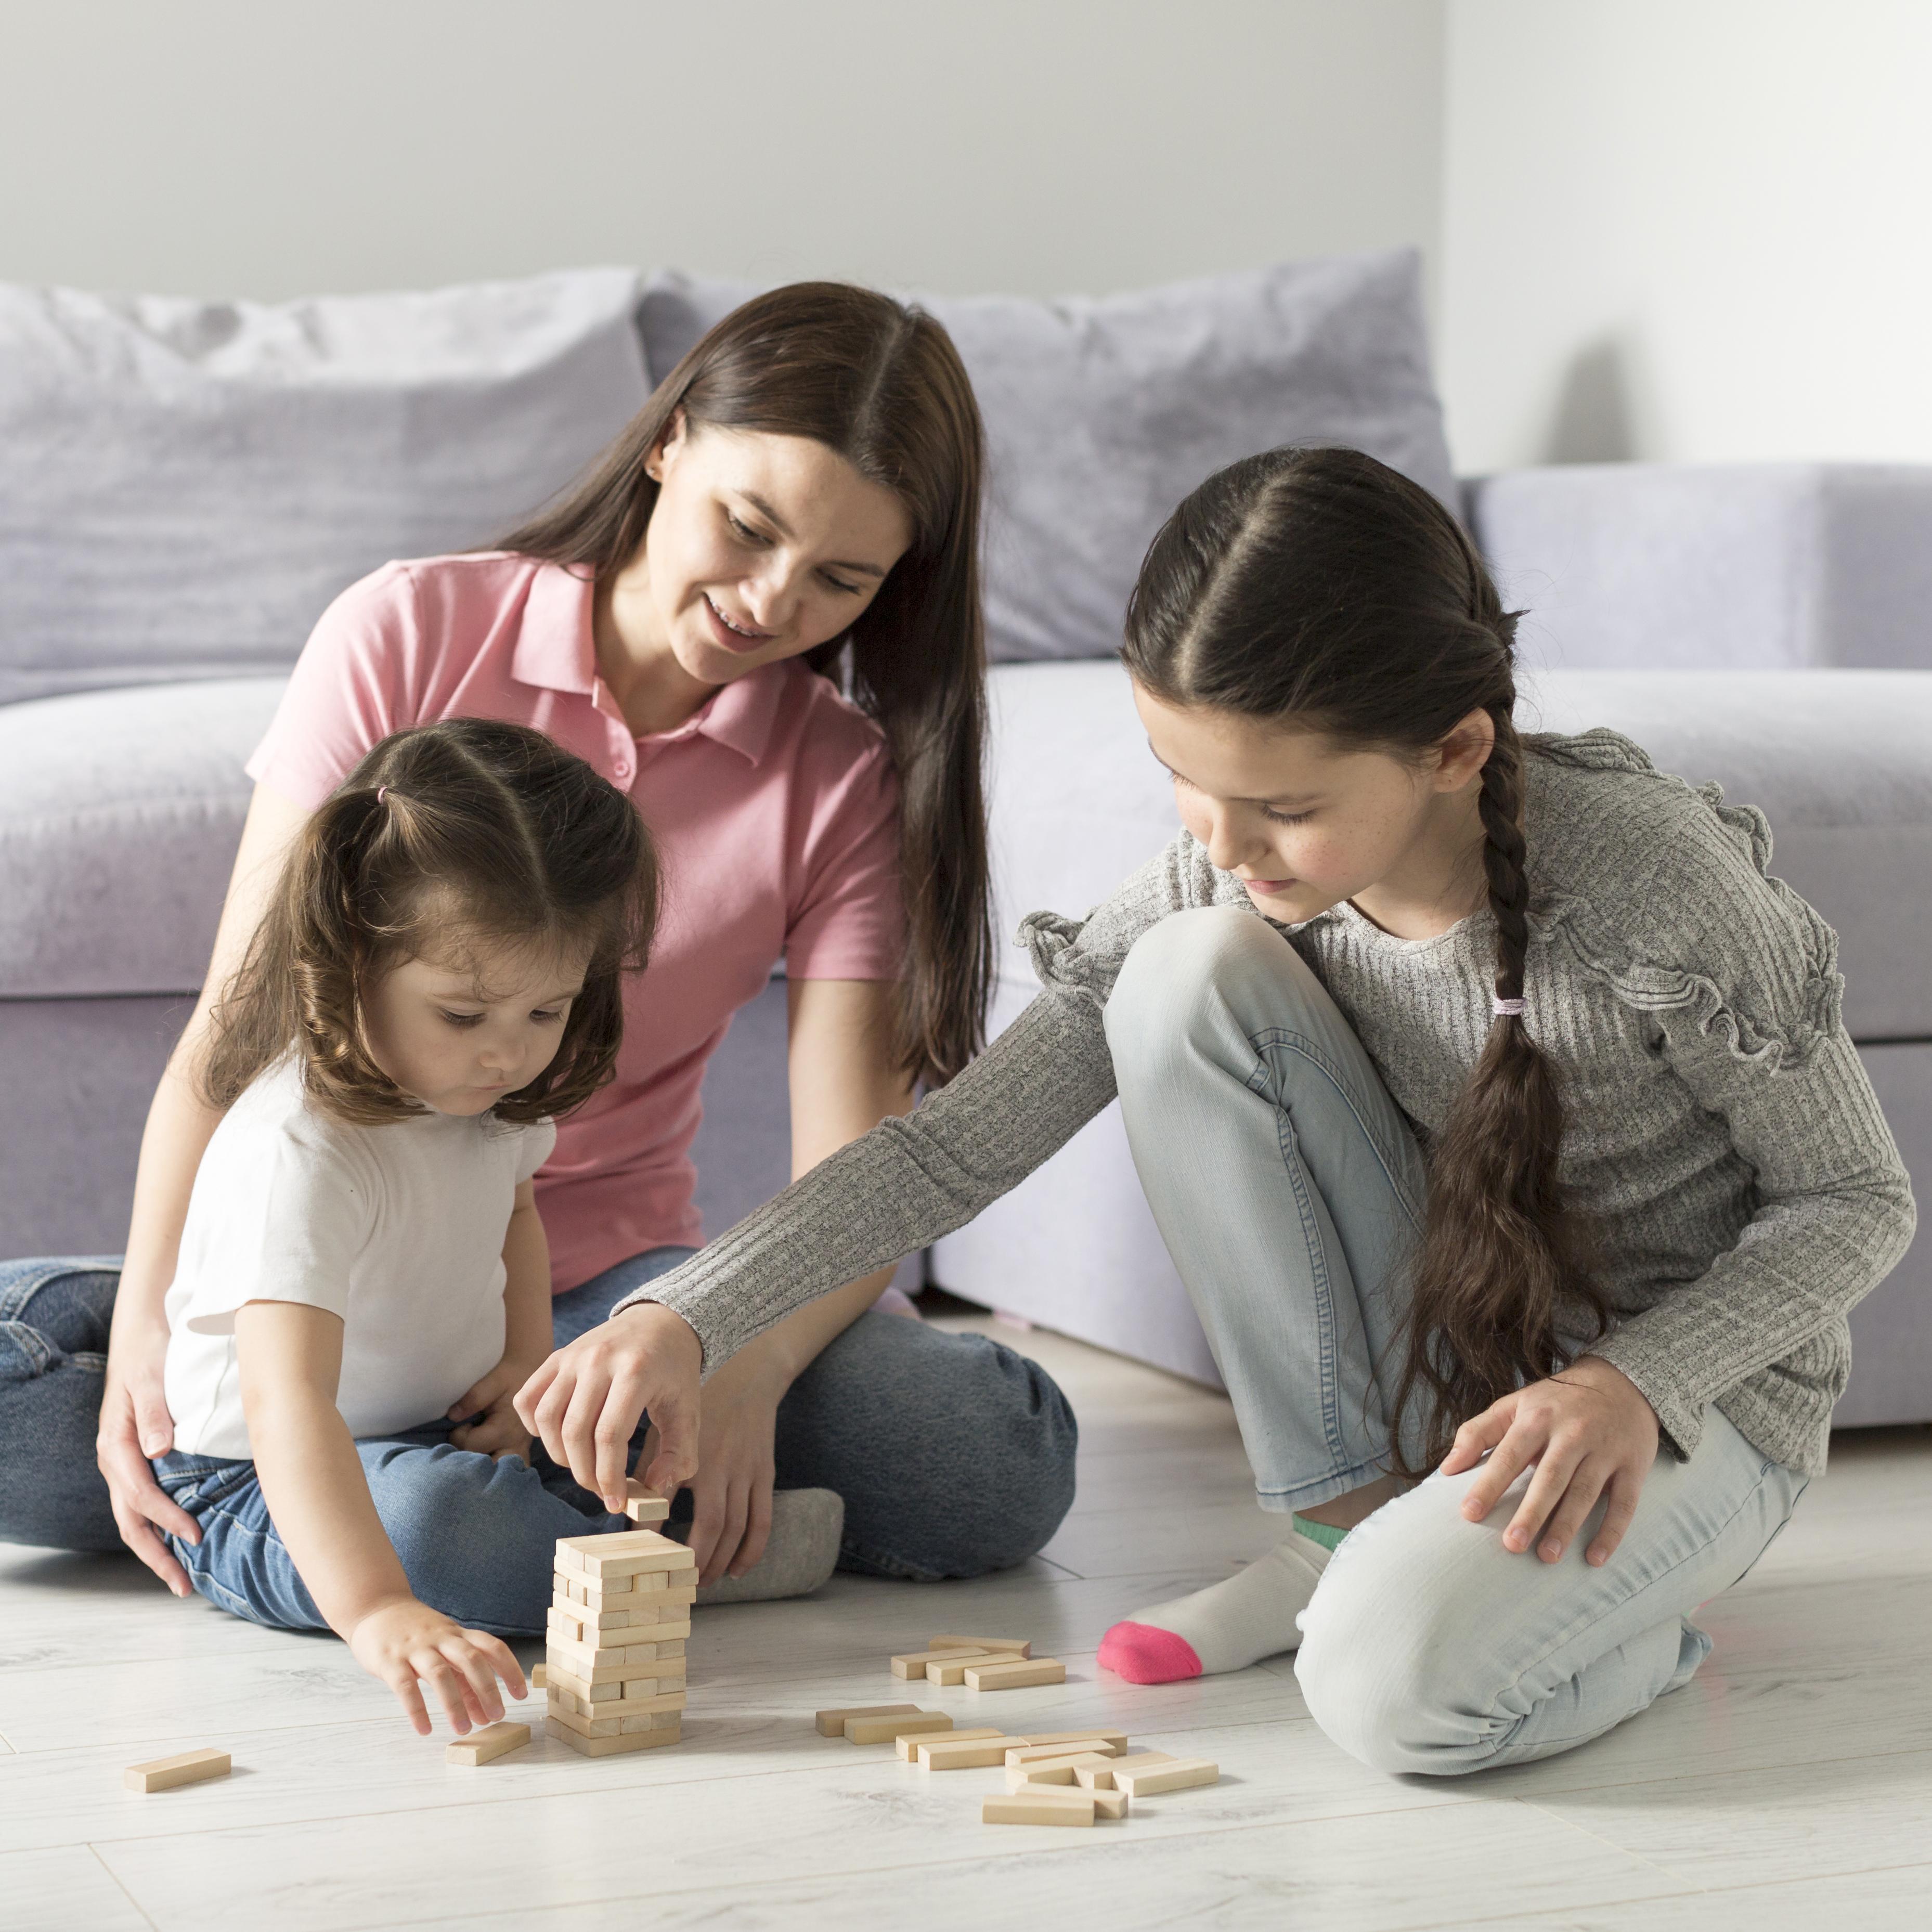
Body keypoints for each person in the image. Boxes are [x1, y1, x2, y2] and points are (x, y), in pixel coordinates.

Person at [517, 445, 1915, 1775]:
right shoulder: (1224, 875)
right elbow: (951, 1143)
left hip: (1689, 1401)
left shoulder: (1651, 890)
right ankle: (1338, 1532)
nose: (1221, 844)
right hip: (1459, 1347)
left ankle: (1629, 1633)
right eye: (1181, 780)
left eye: (1280, 806)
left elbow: (1856, 1201)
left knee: (1391, 1697)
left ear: (1451, 749)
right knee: (1176, 972)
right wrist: (685, 1312)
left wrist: (1629, 1384)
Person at [1, 282, 1075, 1595]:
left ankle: (397, 1509)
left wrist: (730, 1348)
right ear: (670, 440)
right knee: (57, 1398)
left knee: (984, 1453)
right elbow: (237, 1034)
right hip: (323, 1266)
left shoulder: (838, 776)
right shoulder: (407, 631)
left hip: (608, 1299)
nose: (771, 599)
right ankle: (443, 1509)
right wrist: (157, 1331)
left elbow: (856, 1174)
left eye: (841, 579)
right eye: (748, 528)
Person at [153, 718, 655, 1731]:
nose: (507, 1056)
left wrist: (523, 1370)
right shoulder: (306, 1145)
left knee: (633, 1407)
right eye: (464, 1016)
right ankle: (655, 1562)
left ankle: (637, 1545)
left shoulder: (492, 1104)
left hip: (430, 1428)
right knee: (443, 1530)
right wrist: (379, 1609)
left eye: (546, 1012)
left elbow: (513, 1218)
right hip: (252, 1482)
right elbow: (285, 1398)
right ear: (350, 964)